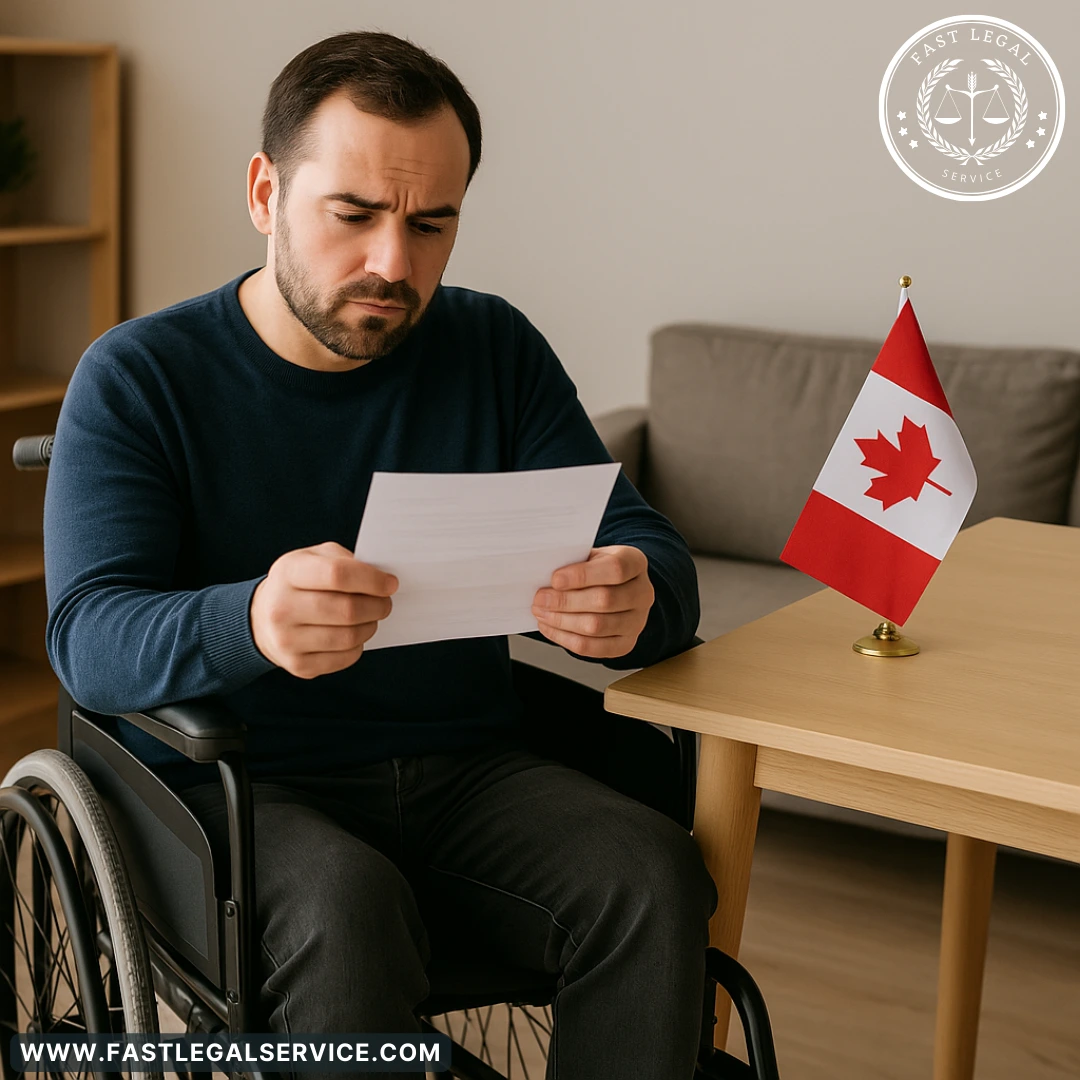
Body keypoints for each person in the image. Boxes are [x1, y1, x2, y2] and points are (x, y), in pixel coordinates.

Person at [44, 30, 718, 1080]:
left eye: (431, 223)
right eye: (353, 216)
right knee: (345, 905)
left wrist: (639, 599)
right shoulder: (139, 377)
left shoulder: (492, 350)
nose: (394, 264)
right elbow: (89, 639)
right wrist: (252, 619)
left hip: (465, 767)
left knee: (652, 871)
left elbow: (642, 546)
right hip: (236, 788)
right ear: (266, 192)